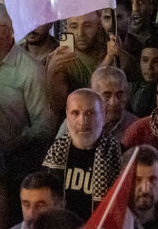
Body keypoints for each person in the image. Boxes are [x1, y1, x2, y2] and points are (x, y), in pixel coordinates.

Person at [0, 0, 55, 200]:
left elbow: (45, 126)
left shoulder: (29, 70)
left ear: (6, 31)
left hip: (10, 170)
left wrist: (13, 142)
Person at [42, 89, 122, 220]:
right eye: (75, 113)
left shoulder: (118, 154)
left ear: (103, 117)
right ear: (67, 118)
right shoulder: (52, 152)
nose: (83, 121)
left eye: (90, 113)